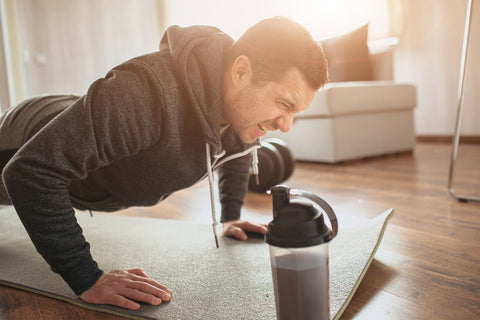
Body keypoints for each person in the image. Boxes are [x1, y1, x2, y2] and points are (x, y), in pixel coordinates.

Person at [0, 16, 328, 310]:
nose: (286, 126)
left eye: (295, 113)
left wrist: (230, 216)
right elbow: (31, 172)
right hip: (20, 136)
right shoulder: (146, 95)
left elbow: (237, 149)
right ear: (241, 71)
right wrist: (88, 278)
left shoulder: (242, 110)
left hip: (79, 128)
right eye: (284, 104)